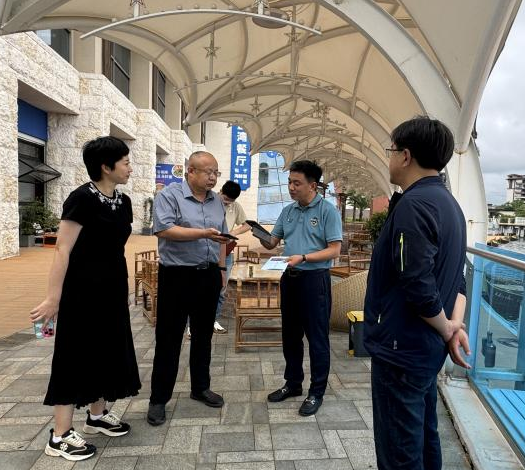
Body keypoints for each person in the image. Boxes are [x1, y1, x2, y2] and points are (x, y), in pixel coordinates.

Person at [363, 116, 470, 470]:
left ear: (406, 156)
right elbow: (459, 279)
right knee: (423, 436)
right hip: (425, 347)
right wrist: (452, 327)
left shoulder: (414, 204)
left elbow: (417, 282)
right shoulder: (450, 205)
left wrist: (446, 327)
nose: (390, 158)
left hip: (402, 348)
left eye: (391, 150)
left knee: (399, 451)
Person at [30, 137, 141, 462]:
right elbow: (62, 249)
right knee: (72, 357)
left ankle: (97, 415)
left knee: (108, 351)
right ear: (106, 167)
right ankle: (60, 435)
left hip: (112, 291)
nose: (130, 168)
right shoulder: (81, 198)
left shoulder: (123, 201)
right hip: (81, 293)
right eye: (125, 162)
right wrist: (53, 299)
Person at [147, 151, 230, 426]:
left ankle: (200, 387)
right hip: (176, 276)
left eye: (216, 172)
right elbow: (164, 230)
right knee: (169, 338)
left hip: (208, 275)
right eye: (208, 172)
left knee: (203, 335)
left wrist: (221, 269)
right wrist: (203, 233)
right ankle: (159, 399)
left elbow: (221, 238)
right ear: (190, 172)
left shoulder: (217, 202)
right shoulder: (169, 196)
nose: (213, 177)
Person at [258, 160, 342, 416]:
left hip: (315, 280)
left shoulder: (328, 211)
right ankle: (293, 383)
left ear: (313, 185)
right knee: (290, 335)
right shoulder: (288, 211)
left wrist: (304, 257)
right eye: (289, 183)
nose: (291, 188)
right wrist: (257, 232)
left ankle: (316, 392)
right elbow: (273, 242)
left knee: (317, 338)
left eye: (297, 183)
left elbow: (334, 250)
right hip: (290, 278)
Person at [214, 180, 251, 334]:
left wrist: (232, 233)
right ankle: (193, 324)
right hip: (207, 251)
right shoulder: (209, 201)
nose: (228, 203)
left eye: (231, 201)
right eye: (226, 199)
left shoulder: (235, 206)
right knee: (200, 288)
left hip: (226, 253)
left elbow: (248, 224)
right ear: (221, 192)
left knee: (221, 288)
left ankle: (213, 320)